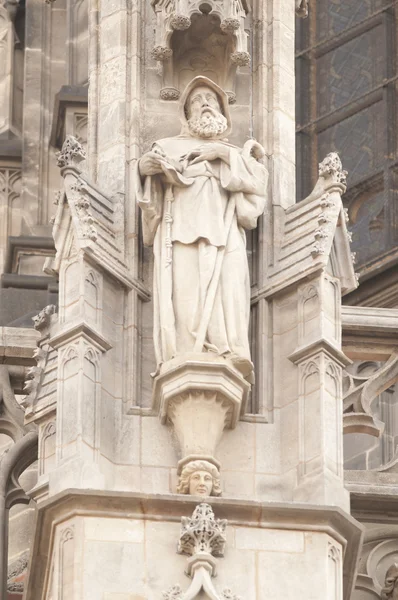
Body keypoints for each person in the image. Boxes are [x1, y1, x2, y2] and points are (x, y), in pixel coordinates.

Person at [135, 76, 268, 382]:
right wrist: (146, 169)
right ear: (186, 113)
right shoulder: (168, 146)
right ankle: (187, 354)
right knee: (186, 293)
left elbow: (256, 194)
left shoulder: (235, 154)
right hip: (181, 232)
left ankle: (227, 349)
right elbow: (148, 188)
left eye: (211, 98)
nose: (205, 103)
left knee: (228, 289)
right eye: (197, 100)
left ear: (222, 108)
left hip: (226, 233)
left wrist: (221, 155)